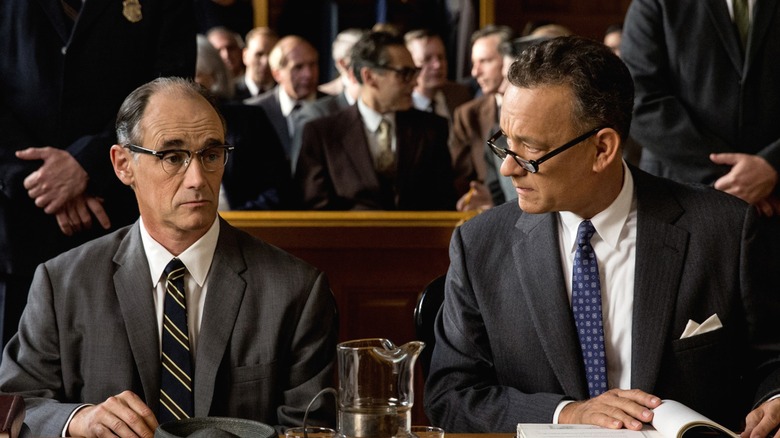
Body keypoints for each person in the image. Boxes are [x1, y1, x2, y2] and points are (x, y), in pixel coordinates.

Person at [424, 36, 780, 435]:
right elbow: (449, 396)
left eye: (529, 151)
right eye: (504, 142)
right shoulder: (479, 246)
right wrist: (568, 413)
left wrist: (776, 399)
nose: (508, 169)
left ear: (603, 149)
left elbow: (773, 359)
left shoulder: (726, 229)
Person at [0, 77, 338, 437]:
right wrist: (79, 419)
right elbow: (17, 404)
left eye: (210, 154)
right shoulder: (63, 283)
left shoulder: (295, 289)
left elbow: (309, 428)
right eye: (172, 157)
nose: (197, 179)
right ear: (123, 164)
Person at [0, 0, 195, 349]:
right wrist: (39, 179)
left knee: (119, 388)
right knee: (15, 394)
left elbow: (169, 91)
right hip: (18, 225)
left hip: (117, 217)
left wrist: (88, 163)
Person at [621, 0, 780, 217]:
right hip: (679, 195)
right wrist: (733, 176)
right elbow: (636, 95)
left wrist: (772, 163)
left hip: (774, 201)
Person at [296, 31, 458, 210]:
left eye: (415, 72)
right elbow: (314, 212)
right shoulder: (323, 134)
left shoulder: (432, 129)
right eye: (405, 73)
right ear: (369, 77)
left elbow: (444, 203)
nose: (414, 82)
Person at [194, 35, 293, 210]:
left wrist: (235, 223)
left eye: (194, 75)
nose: (184, 85)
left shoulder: (248, 120)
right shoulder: (160, 128)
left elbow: (278, 190)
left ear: (213, 76)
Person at [245, 35, 322, 172]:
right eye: (298, 67)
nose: (308, 74)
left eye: (312, 64)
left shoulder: (335, 108)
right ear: (277, 74)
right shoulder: (253, 111)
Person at [404, 29, 473, 124]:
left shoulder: (460, 96)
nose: (438, 65)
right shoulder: (401, 104)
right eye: (427, 59)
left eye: (441, 57)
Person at [234, 26, 279, 101]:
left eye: (272, 55)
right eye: (259, 54)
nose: (265, 62)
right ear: (245, 55)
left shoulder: (286, 94)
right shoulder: (230, 93)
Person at [469, 25, 513, 97]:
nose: (475, 72)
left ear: (508, 59)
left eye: (484, 61)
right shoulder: (471, 108)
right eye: (474, 63)